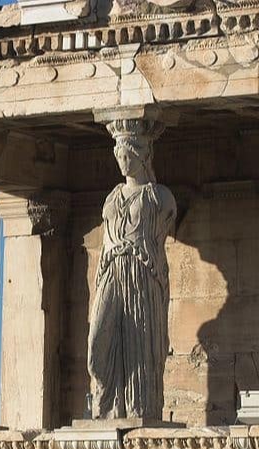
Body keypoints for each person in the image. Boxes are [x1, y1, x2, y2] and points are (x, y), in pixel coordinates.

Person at [87, 119, 176, 419]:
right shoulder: (112, 197)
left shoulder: (160, 197)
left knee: (141, 348)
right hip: (112, 271)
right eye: (119, 156)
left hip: (141, 273)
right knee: (96, 343)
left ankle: (139, 410)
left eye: (128, 156)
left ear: (142, 155)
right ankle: (108, 405)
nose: (123, 162)